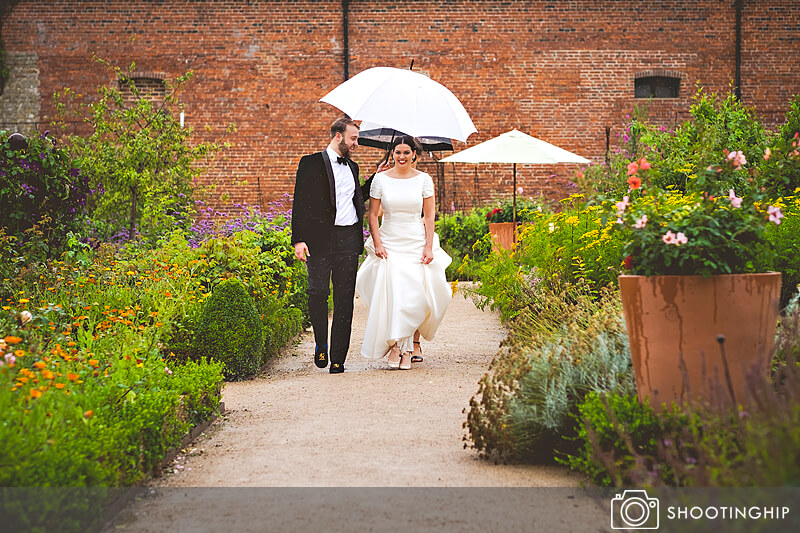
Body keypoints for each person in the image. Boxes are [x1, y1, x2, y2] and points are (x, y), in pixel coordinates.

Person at [356, 136, 452, 370]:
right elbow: (372, 215)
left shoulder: (424, 180)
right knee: (394, 294)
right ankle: (400, 347)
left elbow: (429, 216)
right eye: (397, 152)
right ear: (393, 154)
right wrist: (377, 243)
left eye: (406, 152)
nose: (401, 156)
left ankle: (406, 348)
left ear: (414, 155)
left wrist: (428, 246)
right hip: (390, 241)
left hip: (415, 242)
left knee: (415, 294)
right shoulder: (380, 180)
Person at [291, 117, 374, 374]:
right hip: (319, 239)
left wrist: (374, 180)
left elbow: (356, 198)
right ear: (338, 136)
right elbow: (299, 201)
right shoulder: (310, 163)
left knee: (344, 299)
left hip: (348, 239)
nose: (356, 143)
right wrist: (298, 239)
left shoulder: (354, 167)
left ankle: (338, 358)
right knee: (316, 292)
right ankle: (321, 343)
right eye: (353, 138)